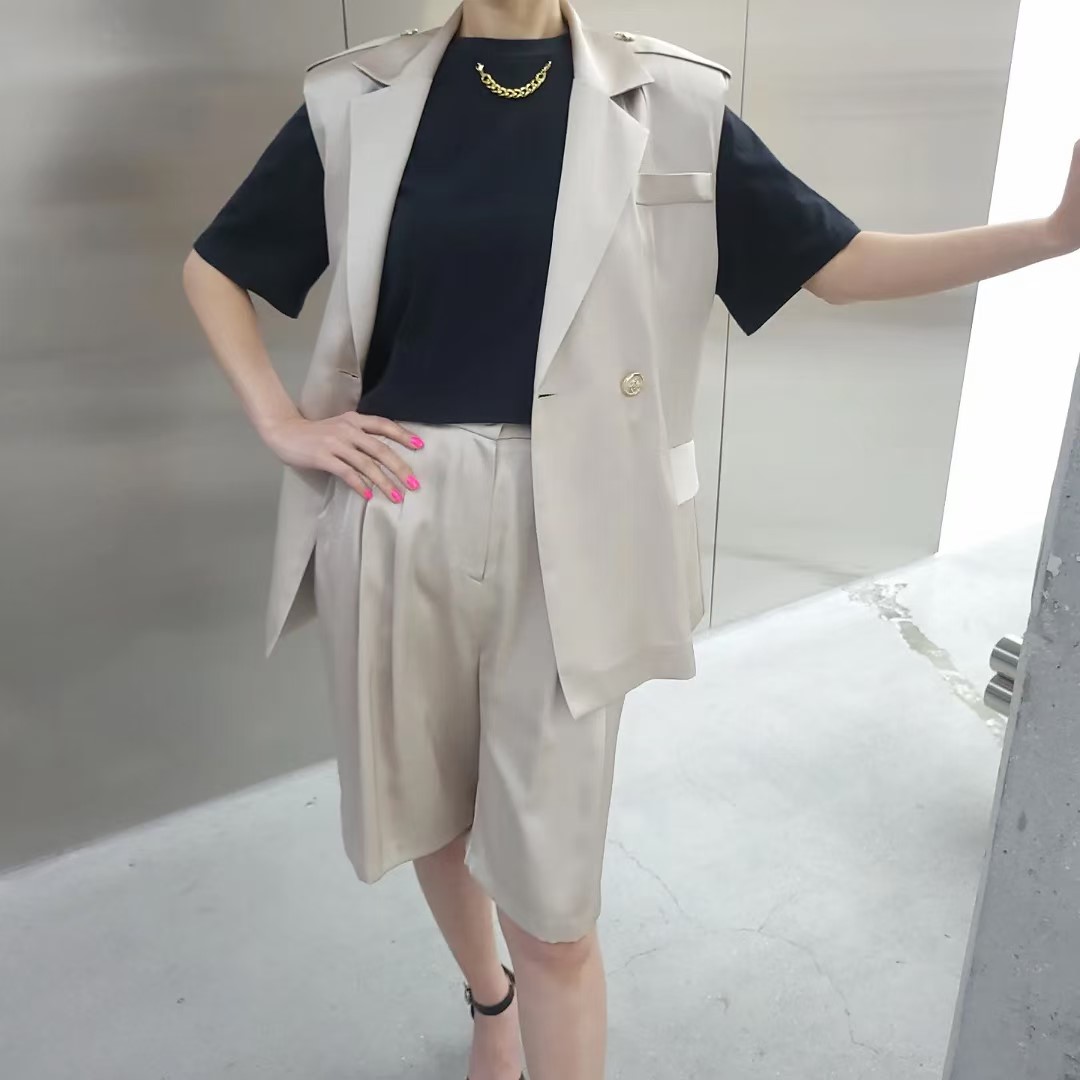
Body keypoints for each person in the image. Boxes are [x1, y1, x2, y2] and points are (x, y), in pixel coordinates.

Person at [183, 1, 1080, 1076]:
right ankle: (490, 1005)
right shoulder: (358, 97)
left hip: (577, 525)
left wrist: (1050, 234)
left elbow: (837, 263)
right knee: (429, 816)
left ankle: (531, 998)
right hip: (399, 501)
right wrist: (282, 422)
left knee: (555, 901)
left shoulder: (673, 99)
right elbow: (216, 265)